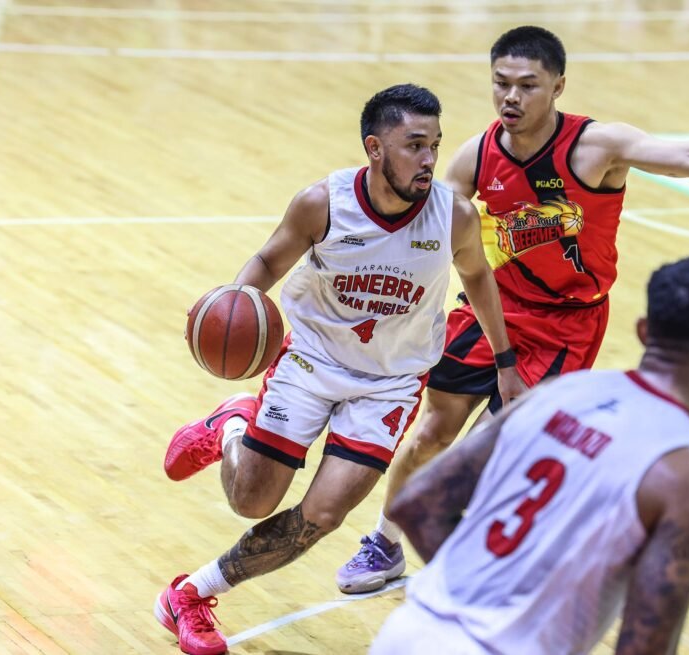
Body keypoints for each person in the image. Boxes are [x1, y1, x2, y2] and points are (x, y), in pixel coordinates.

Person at [337, 25, 689, 593]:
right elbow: (424, 225)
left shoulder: (596, 146)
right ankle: (385, 541)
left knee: (495, 448)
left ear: (559, 87)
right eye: (501, 83)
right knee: (432, 434)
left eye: (528, 85)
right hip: (491, 309)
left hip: (565, 326)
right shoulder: (478, 153)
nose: (511, 97)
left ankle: (479, 558)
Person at [153, 83, 527, 655]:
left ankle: (192, 594)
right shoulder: (322, 203)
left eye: (435, 146)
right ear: (375, 149)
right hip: (311, 359)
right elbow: (267, 260)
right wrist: (229, 306)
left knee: (323, 514)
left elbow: (478, 277)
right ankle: (230, 426)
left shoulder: (453, 217)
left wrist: (505, 359)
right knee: (251, 501)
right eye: (414, 146)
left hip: (392, 383)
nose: (429, 160)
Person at [371, 256, 689, 655]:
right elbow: (644, 644)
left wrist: (480, 582)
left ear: (643, 330)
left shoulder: (556, 394)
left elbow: (417, 502)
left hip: (409, 632)